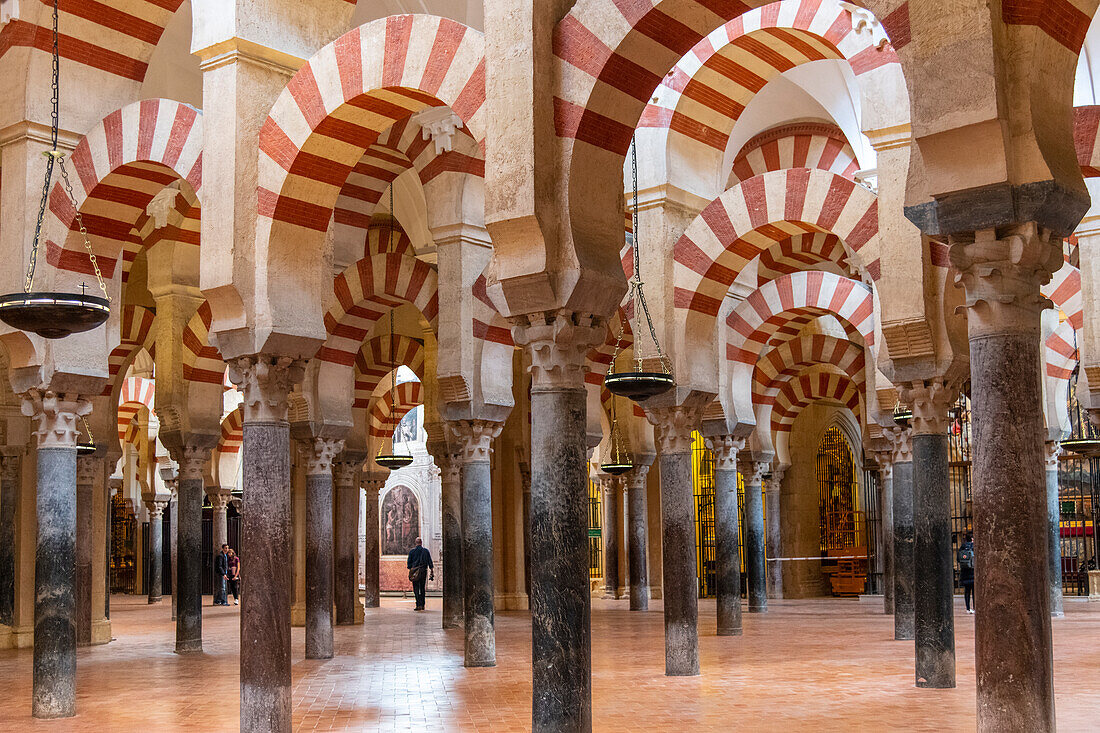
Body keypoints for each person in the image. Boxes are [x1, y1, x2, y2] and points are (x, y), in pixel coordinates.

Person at [406, 538, 434, 611]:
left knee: (416, 588)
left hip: (415, 572)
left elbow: (409, 564)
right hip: (423, 571)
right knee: (422, 588)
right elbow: (430, 562)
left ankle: (418, 605)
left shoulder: (412, 552)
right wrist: (432, 571)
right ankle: (422, 605)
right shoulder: (425, 551)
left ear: (415, 543)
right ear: (421, 543)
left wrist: (412, 568)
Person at [957, 533, 975, 613]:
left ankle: (968, 608)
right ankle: (974, 607)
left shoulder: (962, 547)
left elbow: (958, 559)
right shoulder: (974, 546)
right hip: (973, 571)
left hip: (965, 572)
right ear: (972, 539)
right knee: (974, 592)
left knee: (967, 591)